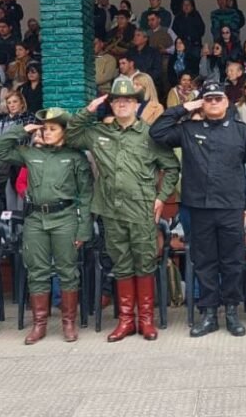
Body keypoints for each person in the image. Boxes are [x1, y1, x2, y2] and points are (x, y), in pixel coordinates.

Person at [70, 78, 180, 341]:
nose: (122, 104)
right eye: (117, 100)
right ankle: (126, 321)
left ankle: (146, 320)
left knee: (144, 263)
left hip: (141, 209)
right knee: (121, 264)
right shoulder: (99, 133)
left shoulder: (149, 134)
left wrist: (162, 198)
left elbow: (172, 167)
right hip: (111, 210)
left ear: (135, 104)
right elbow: (72, 135)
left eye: (127, 100)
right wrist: (87, 110)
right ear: (110, 105)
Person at [150, 80, 246, 337]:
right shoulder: (189, 129)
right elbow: (157, 132)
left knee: (233, 262)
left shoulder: (241, 132)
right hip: (199, 208)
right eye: (208, 99)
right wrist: (184, 108)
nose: (213, 102)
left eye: (217, 98)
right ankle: (209, 313)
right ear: (202, 102)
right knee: (204, 262)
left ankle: (232, 312)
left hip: (231, 208)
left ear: (227, 102)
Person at [0, 108, 94, 344]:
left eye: (53, 128)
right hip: (36, 219)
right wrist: (22, 129)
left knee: (67, 271)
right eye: (44, 128)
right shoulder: (30, 154)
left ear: (64, 131)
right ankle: (39, 325)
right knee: (37, 272)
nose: (47, 132)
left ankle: (68, 323)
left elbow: (87, 195)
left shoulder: (75, 157)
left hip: (65, 217)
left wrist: (83, 228)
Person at [171, 0, 205, 75]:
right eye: (184, 5)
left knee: (194, 66)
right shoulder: (178, 17)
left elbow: (201, 30)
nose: (186, 7)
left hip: (194, 45)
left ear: (192, 6)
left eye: (188, 5)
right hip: (181, 45)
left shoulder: (196, 16)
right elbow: (174, 31)